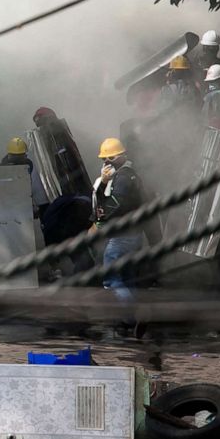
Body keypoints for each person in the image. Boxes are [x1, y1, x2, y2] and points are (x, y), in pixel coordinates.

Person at [91, 137, 146, 328]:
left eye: (109, 159)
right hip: (135, 235)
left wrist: (102, 218)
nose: (106, 163)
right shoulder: (132, 175)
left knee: (111, 279)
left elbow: (115, 204)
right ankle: (131, 318)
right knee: (128, 278)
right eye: (103, 160)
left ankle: (133, 318)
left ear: (121, 157)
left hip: (122, 236)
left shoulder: (122, 178)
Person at [0, 136, 49, 218]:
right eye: (15, 156)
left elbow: (40, 196)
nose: (17, 159)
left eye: (20, 156)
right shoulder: (2, 168)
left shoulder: (32, 168)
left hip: (29, 205)